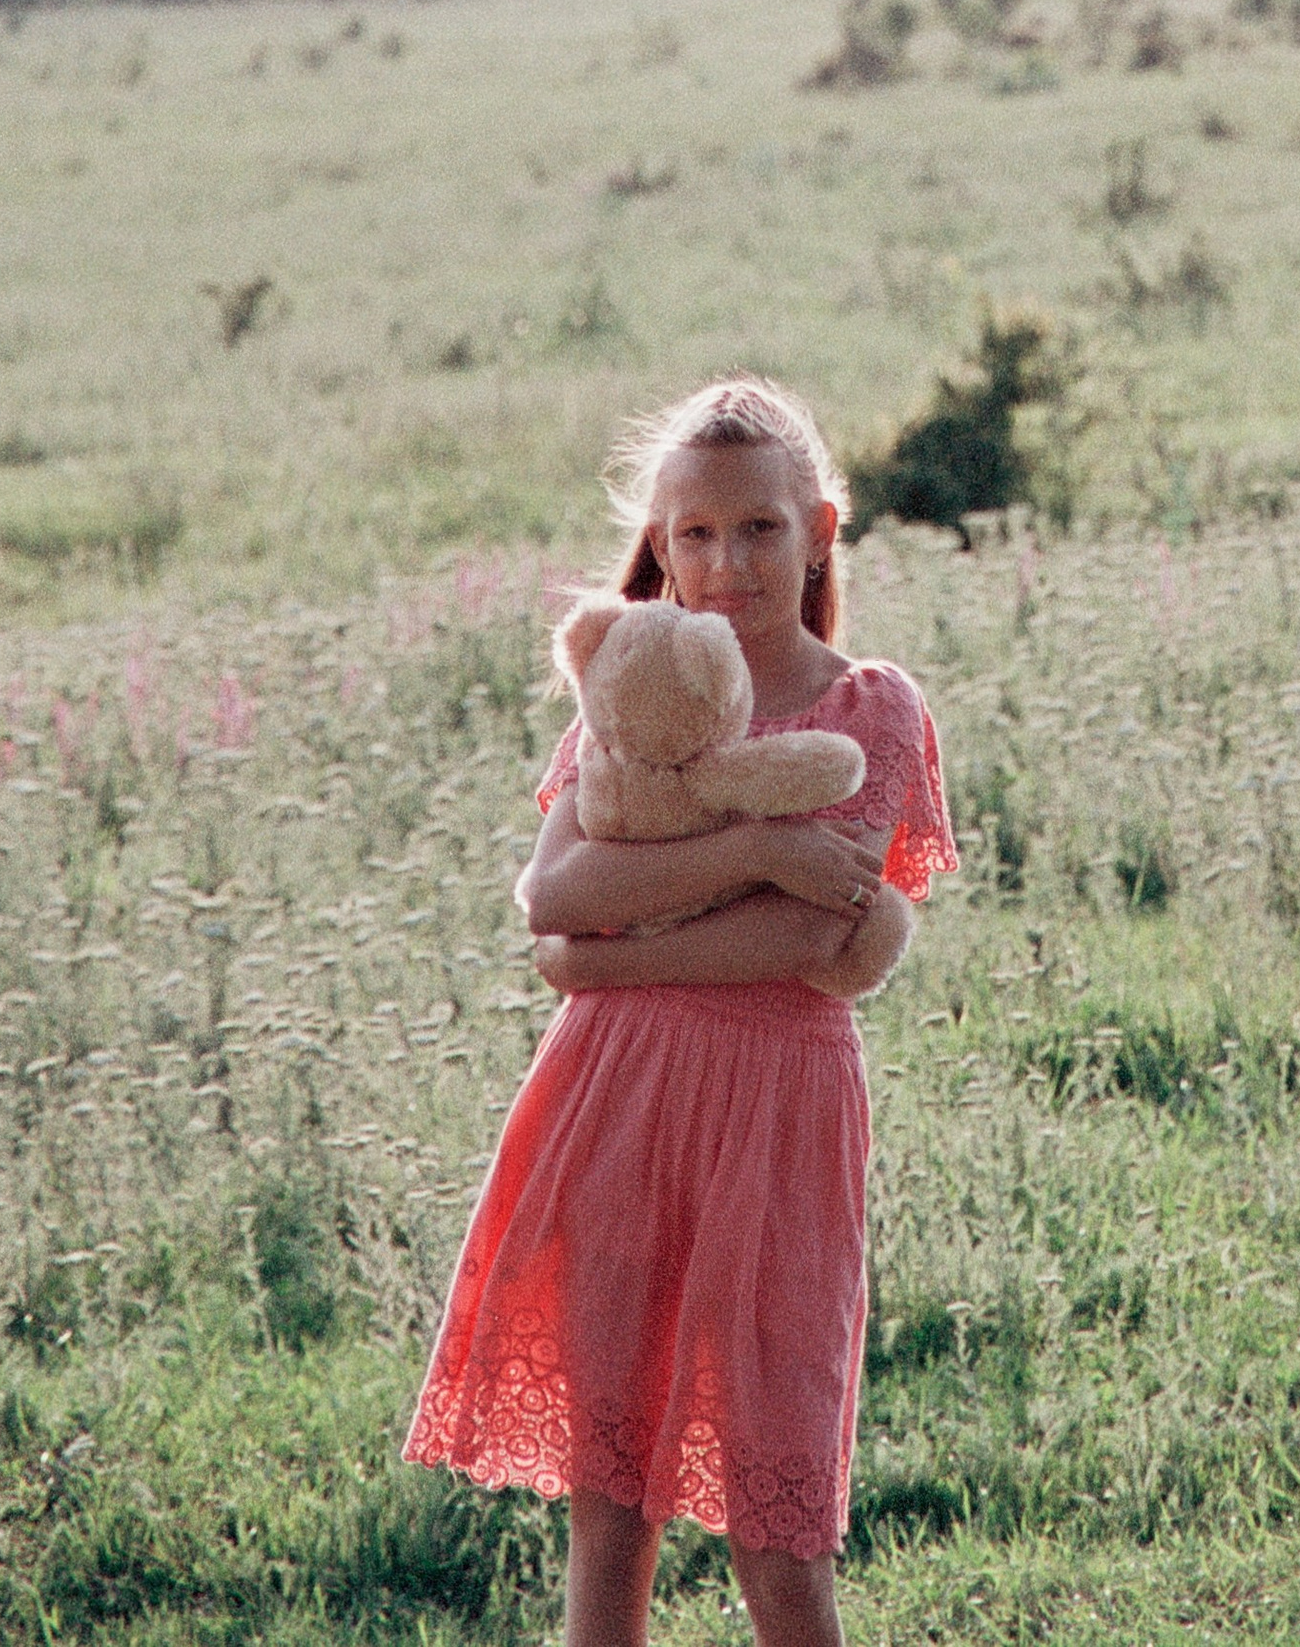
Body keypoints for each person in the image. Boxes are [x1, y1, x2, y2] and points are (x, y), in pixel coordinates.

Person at [403, 377, 956, 1647]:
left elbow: (818, 941)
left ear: (820, 527)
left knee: (779, 1525)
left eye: (759, 528)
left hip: (778, 1115)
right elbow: (555, 889)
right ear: (659, 540)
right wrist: (760, 845)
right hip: (613, 1101)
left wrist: (612, 955)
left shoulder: (872, 707)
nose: (724, 563)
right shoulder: (629, 689)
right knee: (610, 1507)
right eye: (692, 534)